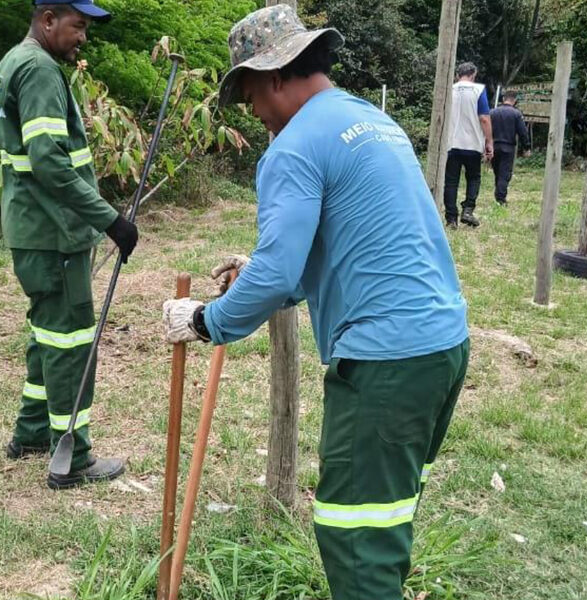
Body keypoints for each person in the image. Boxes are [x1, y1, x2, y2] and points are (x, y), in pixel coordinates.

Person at [161, 6, 470, 599]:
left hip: (384, 363)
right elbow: (349, 247)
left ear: (275, 76)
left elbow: (278, 277)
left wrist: (205, 321)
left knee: (354, 539)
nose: (252, 113)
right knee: (385, 523)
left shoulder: (293, 147)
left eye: (249, 94)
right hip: (443, 348)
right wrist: (266, 270)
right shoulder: (371, 121)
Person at [0, 0, 136, 490]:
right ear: (48, 19)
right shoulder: (40, 70)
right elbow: (50, 163)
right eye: (78, 26)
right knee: (71, 339)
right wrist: (110, 219)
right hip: (53, 233)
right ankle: (73, 458)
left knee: (47, 332)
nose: (83, 38)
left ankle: (31, 433)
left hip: (32, 229)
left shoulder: (15, 60)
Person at [444, 62, 493, 228]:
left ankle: (451, 218)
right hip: (472, 144)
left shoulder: (448, 89)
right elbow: (484, 118)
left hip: (451, 143)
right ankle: (468, 210)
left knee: (451, 182)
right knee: (473, 178)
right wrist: (489, 142)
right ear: (473, 74)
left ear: (458, 75)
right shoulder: (478, 90)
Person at [489, 90, 530, 205]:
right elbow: (523, 132)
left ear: (503, 99)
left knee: (497, 172)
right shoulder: (516, 114)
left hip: (494, 146)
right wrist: (526, 147)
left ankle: (498, 193)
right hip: (508, 147)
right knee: (505, 173)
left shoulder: (492, 112)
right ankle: (501, 198)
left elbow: (486, 129)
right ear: (515, 100)